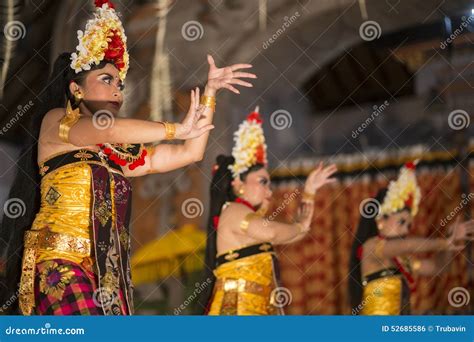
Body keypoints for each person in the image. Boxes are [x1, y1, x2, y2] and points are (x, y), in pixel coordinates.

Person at [0, 0, 256, 315]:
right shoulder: (57, 124)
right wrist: (177, 127)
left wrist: (210, 94)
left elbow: (191, 152)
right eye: (107, 80)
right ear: (76, 89)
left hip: (109, 277)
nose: (119, 91)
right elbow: (106, 130)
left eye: (120, 84)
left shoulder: (116, 155)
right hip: (61, 262)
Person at [198, 108, 337, 315]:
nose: (269, 191)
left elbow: (296, 232)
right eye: (263, 182)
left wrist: (309, 192)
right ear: (238, 184)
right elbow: (273, 232)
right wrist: (299, 226)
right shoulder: (233, 211)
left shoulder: (250, 218)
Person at [348, 162, 474, 315]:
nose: (406, 229)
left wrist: (449, 239)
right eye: (401, 222)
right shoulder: (371, 247)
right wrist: (443, 243)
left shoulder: (402, 260)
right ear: (381, 221)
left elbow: (438, 267)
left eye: (408, 225)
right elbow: (408, 245)